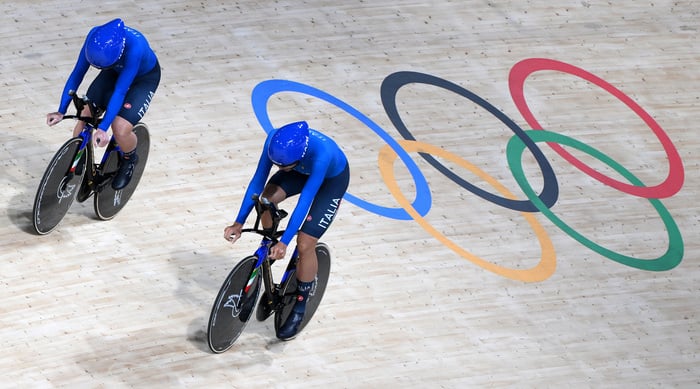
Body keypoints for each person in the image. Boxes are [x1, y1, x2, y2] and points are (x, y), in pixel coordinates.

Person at [224, 121, 350, 340]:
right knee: (264, 200)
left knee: (305, 243)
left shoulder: (323, 155)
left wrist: (286, 242)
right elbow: (257, 181)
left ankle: (301, 303)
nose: (279, 169)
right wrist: (239, 221)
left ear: (298, 156)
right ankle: (269, 244)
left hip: (330, 182)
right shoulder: (274, 140)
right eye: (277, 164)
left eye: (283, 166)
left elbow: (306, 201)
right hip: (298, 171)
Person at [46, 18, 161, 190]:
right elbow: (77, 74)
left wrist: (103, 127)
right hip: (114, 70)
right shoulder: (94, 36)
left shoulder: (135, 47)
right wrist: (61, 110)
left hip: (142, 80)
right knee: (85, 113)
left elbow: (120, 91)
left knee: (120, 128)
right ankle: (77, 158)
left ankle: (130, 159)